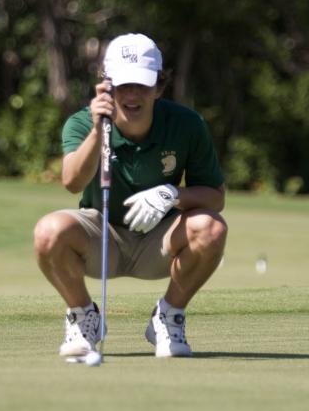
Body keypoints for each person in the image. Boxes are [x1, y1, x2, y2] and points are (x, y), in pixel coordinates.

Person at [33, 33, 227, 358]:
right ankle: (83, 316)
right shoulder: (82, 123)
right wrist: (99, 129)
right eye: (123, 85)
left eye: (142, 84)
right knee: (48, 232)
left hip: (160, 239)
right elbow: (71, 182)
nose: (133, 95)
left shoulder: (187, 125)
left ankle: (169, 316)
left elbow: (215, 198)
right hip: (101, 236)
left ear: (159, 88)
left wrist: (172, 194)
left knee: (212, 228)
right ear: (106, 86)